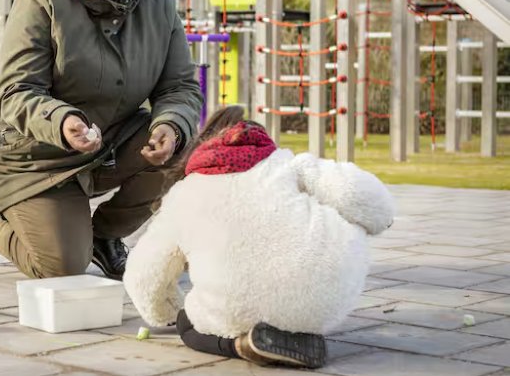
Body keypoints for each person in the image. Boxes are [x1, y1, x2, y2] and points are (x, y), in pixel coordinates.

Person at [0, 0, 202, 281]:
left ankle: (104, 238)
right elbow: (15, 90)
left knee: (184, 151)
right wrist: (62, 121)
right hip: (32, 153)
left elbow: (179, 87)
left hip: (105, 142)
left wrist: (171, 125)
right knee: (61, 267)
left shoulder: (161, 8)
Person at [123, 106, 396, 368]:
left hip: (234, 308)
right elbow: (363, 195)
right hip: (320, 298)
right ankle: (295, 327)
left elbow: (143, 273)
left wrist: (164, 313)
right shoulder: (290, 164)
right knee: (351, 213)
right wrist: (379, 219)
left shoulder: (182, 196)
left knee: (187, 323)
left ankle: (242, 345)